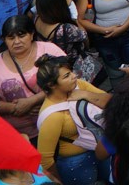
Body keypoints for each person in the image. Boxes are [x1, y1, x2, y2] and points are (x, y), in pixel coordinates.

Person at [0, 14, 66, 141]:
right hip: (19, 135)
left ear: (32, 34)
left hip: (59, 124)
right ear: (4, 40)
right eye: (10, 38)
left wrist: (32, 101)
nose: (16, 42)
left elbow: (67, 79)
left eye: (21, 35)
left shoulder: (49, 51)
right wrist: (16, 108)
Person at [34, 54, 111, 185]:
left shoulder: (80, 85)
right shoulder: (52, 116)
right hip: (76, 164)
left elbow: (110, 101)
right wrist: (58, 182)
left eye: (70, 72)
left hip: (103, 149)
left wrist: (87, 95)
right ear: (51, 85)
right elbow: (45, 159)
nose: (74, 76)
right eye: (66, 76)